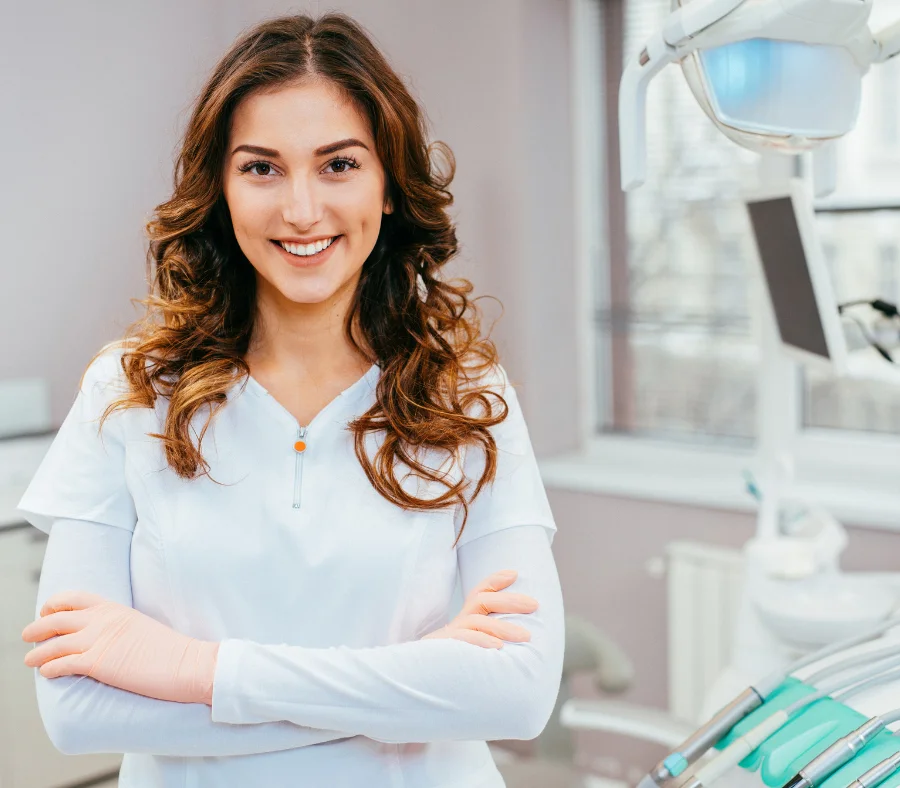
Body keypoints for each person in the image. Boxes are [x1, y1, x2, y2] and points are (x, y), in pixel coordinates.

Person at [16, 11, 565, 788]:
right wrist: (415, 690)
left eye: (338, 165)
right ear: (220, 189)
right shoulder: (130, 392)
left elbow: (517, 694)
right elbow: (76, 711)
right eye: (262, 168)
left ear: (387, 185)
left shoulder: (464, 395)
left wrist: (195, 670)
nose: (301, 210)